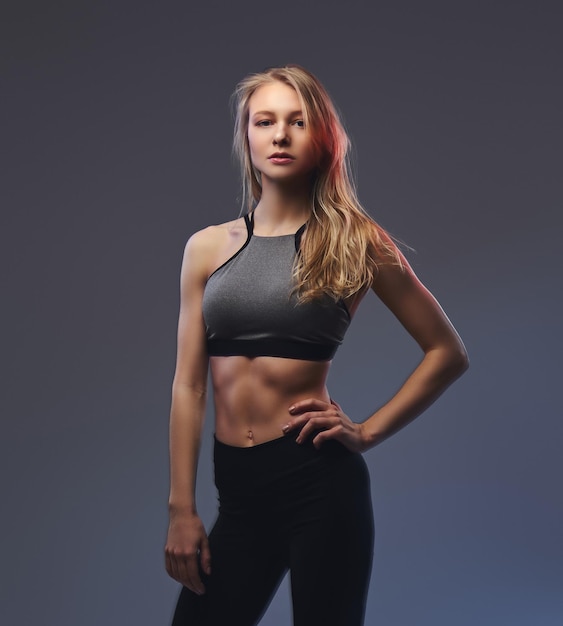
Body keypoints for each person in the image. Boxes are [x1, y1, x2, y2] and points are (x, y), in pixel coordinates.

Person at [165, 65, 469, 626]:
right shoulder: (206, 248)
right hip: (238, 491)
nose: (280, 135)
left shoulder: (356, 241)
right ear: (247, 136)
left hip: (318, 485)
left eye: (297, 121)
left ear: (322, 137)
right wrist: (181, 508)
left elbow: (447, 352)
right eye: (265, 121)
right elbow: (189, 383)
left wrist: (368, 431)